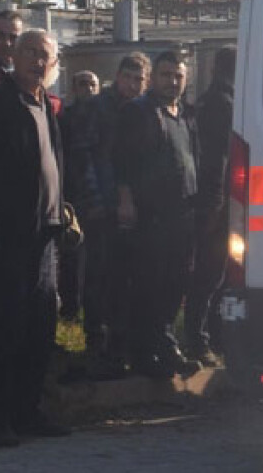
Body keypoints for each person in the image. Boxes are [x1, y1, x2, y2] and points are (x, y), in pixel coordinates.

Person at [0, 29, 72, 447]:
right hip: (7, 236)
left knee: (39, 329)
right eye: (30, 52)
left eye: (44, 55)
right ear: (14, 56)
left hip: (45, 235)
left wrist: (62, 207)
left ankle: (27, 413)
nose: (37, 61)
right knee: (5, 329)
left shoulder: (45, 103)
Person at [115, 50, 200, 380]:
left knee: (176, 282)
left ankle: (160, 346)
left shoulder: (185, 114)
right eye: (166, 75)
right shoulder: (139, 112)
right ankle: (150, 352)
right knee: (149, 284)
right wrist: (125, 201)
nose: (172, 81)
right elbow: (122, 161)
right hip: (151, 214)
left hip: (183, 212)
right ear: (154, 78)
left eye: (178, 75)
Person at [66, 52, 149, 378]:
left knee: (124, 276)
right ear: (118, 76)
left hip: (131, 209)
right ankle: (95, 340)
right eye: (129, 77)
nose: (133, 85)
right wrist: (94, 201)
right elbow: (82, 155)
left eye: (139, 80)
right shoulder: (98, 107)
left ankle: (120, 341)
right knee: (98, 275)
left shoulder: (141, 110)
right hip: (101, 204)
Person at [184, 46, 235, 367]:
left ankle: (214, 336)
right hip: (215, 201)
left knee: (218, 274)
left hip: (214, 199)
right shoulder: (222, 104)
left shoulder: (211, 100)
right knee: (211, 274)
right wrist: (216, 205)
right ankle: (200, 338)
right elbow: (217, 161)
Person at [56, 70, 98, 321]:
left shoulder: (105, 117)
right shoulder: (66, 118)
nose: (88, 89)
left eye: (92, 84)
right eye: (83, 84)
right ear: (74, 89)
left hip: (97, 197)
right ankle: (70, 308)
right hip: (72, 194)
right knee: (72, 253)